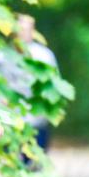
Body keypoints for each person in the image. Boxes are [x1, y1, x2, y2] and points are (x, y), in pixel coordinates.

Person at [15, 13, 59, 152]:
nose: (23, 33)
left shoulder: (44, 56)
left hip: (37, 122)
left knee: (37, 163)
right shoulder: (1, 55)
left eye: (26, 29)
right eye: (20, 29)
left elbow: (55, 87)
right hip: (11, 122)